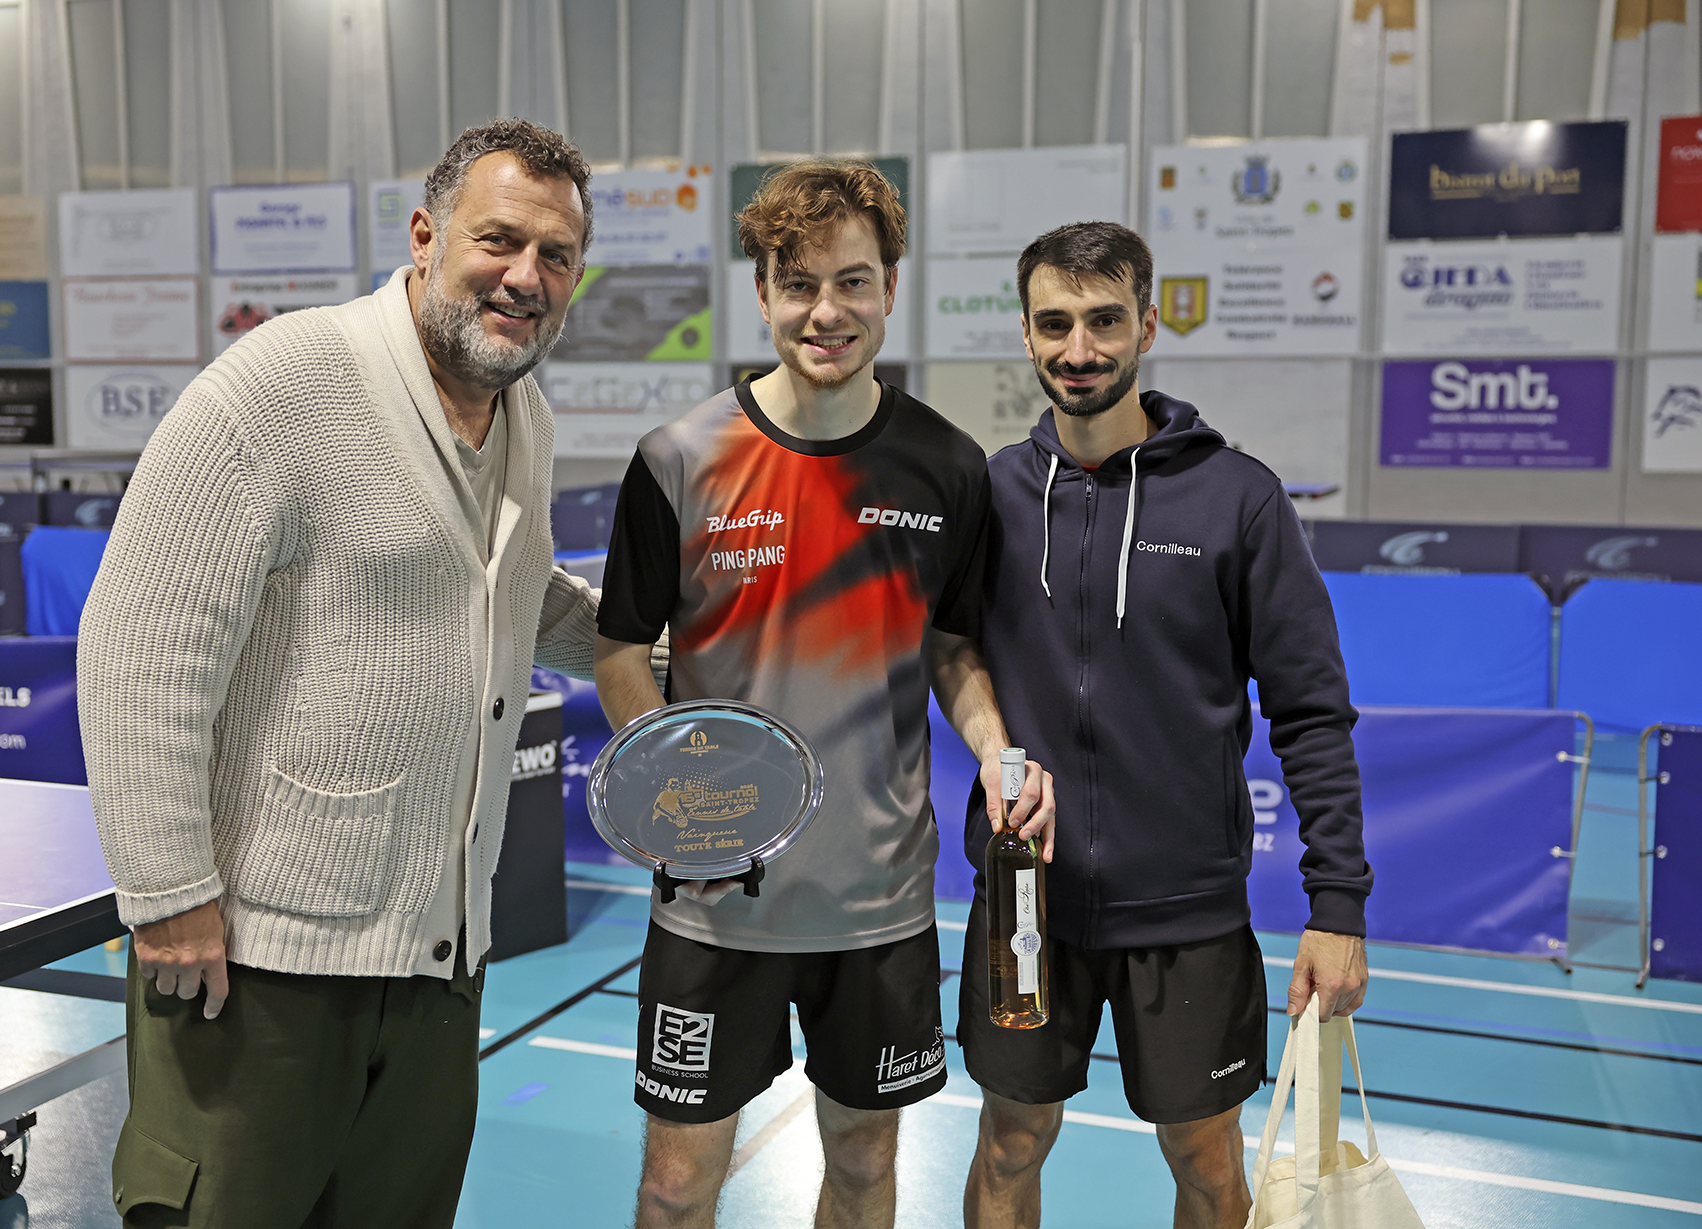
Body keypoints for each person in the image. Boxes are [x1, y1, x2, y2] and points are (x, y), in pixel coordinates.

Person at [78, 118, 615, 1227]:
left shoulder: (523, 414)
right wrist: (169, 894)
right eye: (499, 240)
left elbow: (515, 593)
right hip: (252, 963)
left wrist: (673, 645)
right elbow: (138, 647)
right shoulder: (280, 385)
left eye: (556, 255)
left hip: (439, 959)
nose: (526, 277)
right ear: (425, 235)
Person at [593, 160, 1055, 1229]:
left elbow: (952, 648)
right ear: (761, 292)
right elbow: (620, 648)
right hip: (713, 902)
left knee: (860, 1159)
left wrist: (994, 752)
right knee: (672, 1185)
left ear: (890, 286)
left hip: (875, 902)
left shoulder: (946, 466)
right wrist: (668, 785)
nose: (825, 311)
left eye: (851, 281)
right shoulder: (677, 459)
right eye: (798, 283)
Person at [956, 221, 1373, 1229]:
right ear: (1025, 333)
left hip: (1187, 912)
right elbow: (945, 648)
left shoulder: (1237, 498)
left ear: (1147, 325)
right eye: (1055, 323)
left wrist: (1337, 906)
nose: (1079, 348)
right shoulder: (989, 494)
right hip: (1025, 903)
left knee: (1204, 1155)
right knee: (1009, 1139)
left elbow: (1311, 711)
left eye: (1104, 321)